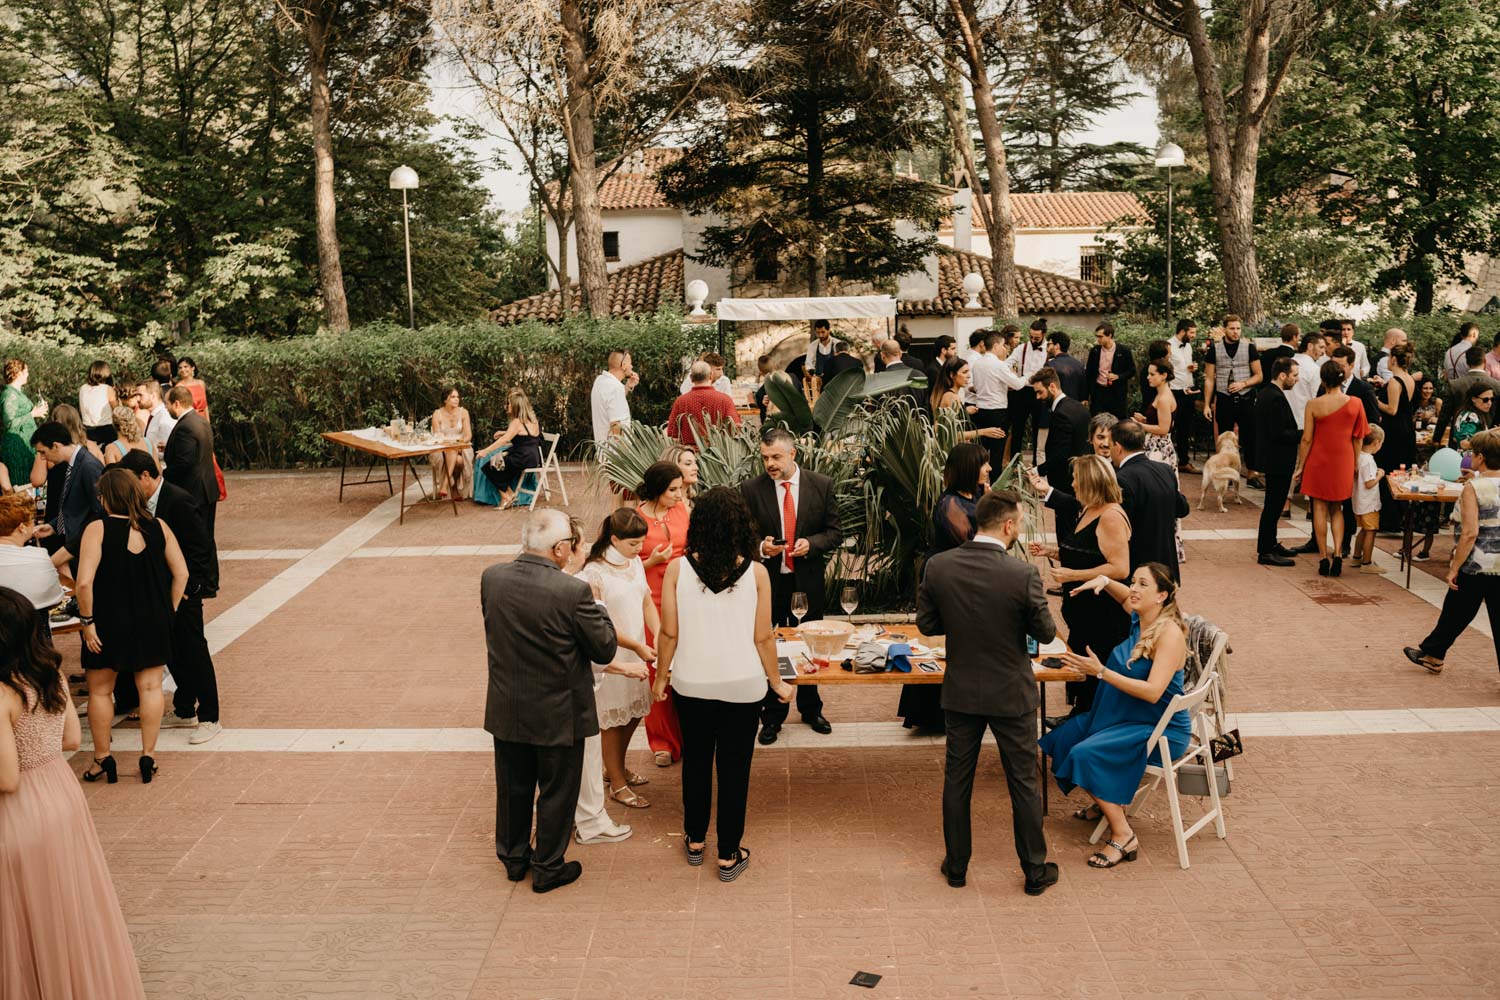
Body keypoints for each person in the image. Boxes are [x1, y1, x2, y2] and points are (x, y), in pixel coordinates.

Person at [0, 586, 147, 999]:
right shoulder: (50, 676)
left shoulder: (1, 692)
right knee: (67, 908)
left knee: (20, 919)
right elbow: (69, 741)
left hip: (19, 807)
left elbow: (6, 777)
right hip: (60, 795)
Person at [916, 489, 1059, 895]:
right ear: (1009, 525)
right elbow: (1046, 633)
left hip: (961, 688)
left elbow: (927, 625)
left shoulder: (940, 566)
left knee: (957, 780)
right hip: (1011, 692)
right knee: (1024, 784)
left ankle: (957, 866)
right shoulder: (1022, 574)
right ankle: (1034, 870)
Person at [651, 487, 792, 881]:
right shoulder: (758, 573)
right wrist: (778, 684)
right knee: (735, 769)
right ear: (740, 526)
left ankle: (695, 841)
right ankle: (729, 854)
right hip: (743, 686)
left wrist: (661, 678)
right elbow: (763, 638)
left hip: (692, 682)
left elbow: (668, 634)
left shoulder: (678, 570)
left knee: (696, 762)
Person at [483, 509, 616, 893]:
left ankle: (513, 857)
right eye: (572, 545)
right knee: (558, 790)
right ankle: (548, 866)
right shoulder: (573, 591)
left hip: (508, 703)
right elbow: (604, 648)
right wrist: (600, 605)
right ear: (559, 549)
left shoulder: (492, 578)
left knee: (513, 786)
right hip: (559, 711)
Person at [1042, 564, 1192, 869]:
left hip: (1155, 727)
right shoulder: (1142, 618)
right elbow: (1126, 596)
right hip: (1121, 714)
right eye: (1133, 581)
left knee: (1083, 753)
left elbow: (1153, 692)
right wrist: (1106, 580)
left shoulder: (1169, 635)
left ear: (1162, 595)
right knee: (1063, 739)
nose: (1134, 589)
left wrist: (1101, 671)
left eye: (1143, 584)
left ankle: (1123, 834)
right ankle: (1105, 800)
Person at [74, 467, 189, 785]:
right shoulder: (159, 527)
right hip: (153, 618)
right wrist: (170, 610)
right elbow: (181, 574)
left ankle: (102, 758)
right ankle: (148, 756)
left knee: (100, 690)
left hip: (108, 620)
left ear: (109, 497)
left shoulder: (97, 529)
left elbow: (83, 582)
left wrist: (87, 621)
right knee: (151, 688)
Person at [740, 427, 841, 743]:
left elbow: (835, 532)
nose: (769, 463)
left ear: (793, 454)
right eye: (765, 457)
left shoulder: (821, 485)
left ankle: (811, 708)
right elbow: (743, 535)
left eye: (776, 457)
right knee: (769, 645)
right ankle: (772, 715)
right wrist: (761, 548)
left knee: (810, 647)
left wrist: (811, 544)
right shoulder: (751, 489)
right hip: (769, 583)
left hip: (807, 582)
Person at [116, 450, 222, 744]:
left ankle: (210, 717)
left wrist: (192, 589)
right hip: (160, 591)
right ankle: (185, 707)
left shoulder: (178, 500)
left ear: (146, 476)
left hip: (185, 590)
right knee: (172, 652)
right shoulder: (140, 503)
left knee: (194, 652)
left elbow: (202, 548)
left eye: (130, 481)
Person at [1030, 456, 1131, 715]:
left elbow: (1119, 568)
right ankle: (1079, 720)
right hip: (1082, 614)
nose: (1072, 483)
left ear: (1089, 482)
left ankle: (1087, 727)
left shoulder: (1111, 516)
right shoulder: (1088, 509)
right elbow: (1085, 550)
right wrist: (1051, 551)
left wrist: (1074, 575)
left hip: (1102, 615)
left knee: (1094, 679)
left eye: (1076, 478)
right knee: (1082, 678)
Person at [900, 443, 990, 732]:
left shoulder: (975, 494)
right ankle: (930, 714)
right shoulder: (949, 503)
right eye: (983, 464)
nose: (988, 469)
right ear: (968, 468)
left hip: (967, 574)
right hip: (947, 575)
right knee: (941, 640)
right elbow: (969, 542)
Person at [578, 510, 658, 810]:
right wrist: (636, 646)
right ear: (614, 539)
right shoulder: (594, 573)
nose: (640, 550)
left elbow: (646, 599)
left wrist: (659, 632)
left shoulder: (634, 562)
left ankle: (617, 767)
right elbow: (602, 623)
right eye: (634, 544)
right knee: (613, 721)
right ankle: (617, 783)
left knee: (634, 711)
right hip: (612, 655)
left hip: (638, 648)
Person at [1403, 428, 1500, 673]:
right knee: (1460, 610)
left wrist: (1454, 566)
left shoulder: (1474, 488)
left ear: (1481, 457)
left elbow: (1469, 532)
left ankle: (1434, 653)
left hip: (1477, 562)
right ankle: (1433, 651)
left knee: (1456, 609)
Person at [1294, 360, 1369, 577]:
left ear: (1323, 380)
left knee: (1318, 508)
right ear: (1342, 378)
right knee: (1338, 509)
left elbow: (1306, 439)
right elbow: (1358, 438)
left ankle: (1322, 557)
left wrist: (1301, 466)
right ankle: (1337, 553)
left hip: (1319, 459)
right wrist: (1355, 463)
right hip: (1343, 459)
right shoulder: (1355, 403)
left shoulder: (1313, 404)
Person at [637, 461, 689, 766]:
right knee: (657, 667)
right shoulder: (635, 517)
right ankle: (662, 742)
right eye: (673, 490)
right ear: (658, 490)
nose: (679, 495)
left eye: (680, 489)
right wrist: (651, 561)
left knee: (685, 664)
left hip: (684, 595)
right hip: (651, 600)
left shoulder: (683, 510)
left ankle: (688, 733)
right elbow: (621, 566)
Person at [30, 420, 105, 573]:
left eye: (43, 452)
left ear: (56, 446)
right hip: (76, 545)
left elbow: (100, 511)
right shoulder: (75, 463)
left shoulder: (88, 466)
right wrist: (53, 526)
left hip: (85, 547)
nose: (42, 458)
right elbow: (76, 506)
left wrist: (76, 545)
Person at [1254, 358, 1303, 567]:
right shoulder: (1274, 397)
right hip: (1278, 459)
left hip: (1275, 458)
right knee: (1273, 506)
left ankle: (1271, 544)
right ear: (1282, 375)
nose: (1297, 380)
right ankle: (1265, 550)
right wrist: (1303, 433)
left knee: (1273, 504)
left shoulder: (1268, 393)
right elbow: (1279, 432)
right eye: (1294, 375)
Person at [1204, 314, 1263, 481]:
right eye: (1232, 328)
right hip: (1224, 398)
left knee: (1250, 436)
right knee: (1224, 438)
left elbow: (1259, 376)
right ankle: (1225, 473)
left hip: (1246, 398)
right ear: (1224, 330)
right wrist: (1207, 404)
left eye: (1238, 328)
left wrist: (1243, 384)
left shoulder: (1249, 347)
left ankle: (1252, 473)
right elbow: (1209, 379)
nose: (1236, 332)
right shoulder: (1215, 349)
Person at [0, 494, 66, 639]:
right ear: (22, 527)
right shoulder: (38, 555)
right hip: (33, 639)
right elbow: (54, 598)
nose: (34, 524)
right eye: (31, 521)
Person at [164, 385, 220, 538]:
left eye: (167, 404)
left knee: (195, 540)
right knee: (207, 540)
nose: (166, 408)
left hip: (193, 492)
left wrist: (162, 476)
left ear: (176, 404)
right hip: (206, 489)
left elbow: (184, 463)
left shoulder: (185, 427)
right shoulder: (201, 421)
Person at [474, 389, 544, 509]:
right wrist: (504, 432)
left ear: (516, 406)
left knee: (490, 465)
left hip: (522, 458)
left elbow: (504, 440)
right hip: (533, 458)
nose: (507, 406)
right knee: (498, 462)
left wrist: (485, 451)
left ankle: (506, 496)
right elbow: (524, 436)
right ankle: (510, 495)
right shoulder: (533, 421)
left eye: (509, 404)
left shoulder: (517, 422)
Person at [1375, 343, 1418, 533]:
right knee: (1400, 473)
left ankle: (1389, 520)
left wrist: (1375, 400)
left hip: (1394, 432)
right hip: (1406, 429)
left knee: (1388, 470)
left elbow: (1391, 409)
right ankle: (1399, 516)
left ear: (1393, 359)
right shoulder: (1409, 378)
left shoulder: (1395, 381)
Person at [968, 329, 1023, 473]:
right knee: (996, 455)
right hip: (997, 413)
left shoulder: (977, 364)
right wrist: (1027, 376)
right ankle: (994, 486)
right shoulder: (999, 365)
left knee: (981, 452)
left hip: (980, 410)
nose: (1005, 348)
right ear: (997, 346)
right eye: (1003, 345)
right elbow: (1017, 384)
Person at [1434, 345, 1500, 448]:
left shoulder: (1455, 385)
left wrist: (1436, 439)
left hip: (1459, 440)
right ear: (1485, 361)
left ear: (1467, 363)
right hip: (1488, 442)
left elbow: (1444, 416)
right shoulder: (1497, 385)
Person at [667, 361, 741, 445]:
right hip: (718, 454)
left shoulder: (680, 401)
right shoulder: (724, 400)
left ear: (691, 378)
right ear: (711, 375)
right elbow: (736, 428)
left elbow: (671, 432)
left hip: (689, 454)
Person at [1006, 319, 1050, 462]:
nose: (1033, 340)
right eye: (1031, 337)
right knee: (1017, 429)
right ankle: (1014, 463)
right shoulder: (1022, 348)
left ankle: (1036, 463)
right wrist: (1012, 376)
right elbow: (1007, 364)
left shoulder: (1049, 350)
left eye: (1036, 338)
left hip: (1041, 393)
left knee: (1038, 429)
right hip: (1022, 391)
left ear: (1044, 334)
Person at [2, 358, 47, 487]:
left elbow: (21, 415)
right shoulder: (9, 394)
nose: (28, 374)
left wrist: (37, 411)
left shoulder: (17, 393)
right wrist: (33, 414)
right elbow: (9, 422)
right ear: (18, 373)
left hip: (25, 443)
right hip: (16, 446)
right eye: (26, 371)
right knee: (21, 483)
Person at [428, 387, 475, 501]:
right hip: (442, 447)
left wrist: (459, 445)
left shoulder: (464, 413)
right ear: (445, 399)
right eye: (453, 397)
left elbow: (468, 435)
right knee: (456, 457)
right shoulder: (437, 414)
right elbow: (437, 435)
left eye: (457, 397)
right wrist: (450, 445)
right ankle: (453, 488)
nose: (456, 399)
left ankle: (444, 484)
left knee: (457, 457)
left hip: (461, 446)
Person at [1350, 427, 1386, 574]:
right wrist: (1380, 475)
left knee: (1363, 530)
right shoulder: (1369, 460)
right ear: (1376, 443)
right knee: (1371, 530)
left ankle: (1357, 556)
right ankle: (1367, 562)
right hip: (1369, 503)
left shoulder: (1358, 456)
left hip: (1358, 501)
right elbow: (1369, 483)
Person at [1167, 320, 1200, 472]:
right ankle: (1166, 460)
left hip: (1188, 391)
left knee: (1185, 428)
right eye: (1192, 332)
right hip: (1174, 391)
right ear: (1182, 331)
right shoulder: (1169, 346)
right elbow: (1165, 369)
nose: (1194, 335)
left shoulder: (1189, 346)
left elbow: (1185, 368)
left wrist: (1192, 368)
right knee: (1169, 427)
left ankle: (1184, 461)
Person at [591, 349, 636, 456]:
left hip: (604, 451)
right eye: (630, 363)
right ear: (624, 365)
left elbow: (612, 403)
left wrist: (627, 386)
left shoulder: (600, 381)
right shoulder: (615, 388)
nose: (632, 366)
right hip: (616, 455)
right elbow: (616, 425)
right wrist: (626, 455)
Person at [1084, 322, 1134, 419]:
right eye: (1097, 336)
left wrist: (1118, 376)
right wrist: (1086, 395)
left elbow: (1132, 370)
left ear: (1109, 336)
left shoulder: (1123, 351)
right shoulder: (1095, 351)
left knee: (1117, 420)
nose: (1098, 339)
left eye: (1100, 336)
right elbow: (1089, 374)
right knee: (1097, 420)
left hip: (1116, 392)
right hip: (1099, 391)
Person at [1287, 331, 1326, 432]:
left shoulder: (1286, 363)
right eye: (1321, 347)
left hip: (1284, 421)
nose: (1323, 352)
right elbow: (1316, 399)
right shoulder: (1315, 369)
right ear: (1310, 346)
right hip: (1304, 423)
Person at [132, 378, 176, 461]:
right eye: (136, 395)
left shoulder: (164, 417)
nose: (137, 399)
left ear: (153, 396)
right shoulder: (154, 416)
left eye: (140, 395)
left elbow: (170, 450)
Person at [78, 360, 119, 447]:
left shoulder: (83, 388)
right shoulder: (107, 389)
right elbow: (117, 409)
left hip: (87, 429)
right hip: (105, 429)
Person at [1046, 331, 1086, 402]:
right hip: (1074, 407)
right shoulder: (1079, 364)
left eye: (1049, 344)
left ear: (1057, 346)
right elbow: (1083, 392)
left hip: (1057, 407)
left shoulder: (1050, 365)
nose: (1047, 348)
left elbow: (1047, 391)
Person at [662, 442, 701, 508]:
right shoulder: (662, 504)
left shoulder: (697, 503)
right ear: (674, 467)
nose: (696, 468)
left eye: (695, 463)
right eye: (688, 464)